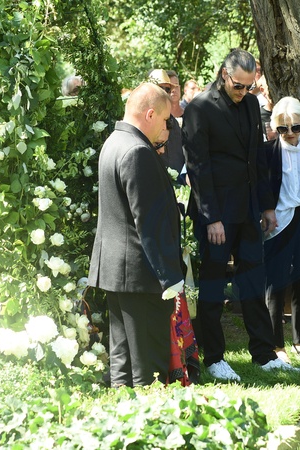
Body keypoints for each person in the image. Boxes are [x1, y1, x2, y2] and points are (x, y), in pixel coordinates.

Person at [182, 48, 297, 382]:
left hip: (247, 210)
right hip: (216, 213)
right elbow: (198, 166)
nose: (244, 92)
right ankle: (214, 358)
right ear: (224, 74)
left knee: (253, 282)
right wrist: (211, 217)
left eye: (249, 87)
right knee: (213, 286)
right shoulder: (200, 108)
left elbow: (256, 157)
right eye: (238, 86)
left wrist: (266, 205)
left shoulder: (249, 104)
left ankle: (264, 354)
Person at [87, 83, 184, 386]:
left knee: (124, 359)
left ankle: (124, 411)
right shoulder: (137, 151)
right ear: (150, 114)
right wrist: (170, 278)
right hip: (141, 274)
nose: (166, 127)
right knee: (148, 365)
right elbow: (149, 223)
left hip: (117, 271)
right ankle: (148, 415)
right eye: (165, 120)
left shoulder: (114, 141)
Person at [263, 97, 300, 363]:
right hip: (277, 222)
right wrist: (265, 211)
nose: (289, 133)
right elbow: (260, 187)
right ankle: (276, 344)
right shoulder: (267, 152)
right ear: (275, 127)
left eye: (295, 127)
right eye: (283, 128)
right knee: (275, 284)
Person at [148, 69, 185, 174]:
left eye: (167, 89)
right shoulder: (145, 121)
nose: (164, 92)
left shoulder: (174, 123)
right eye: (160, 88)